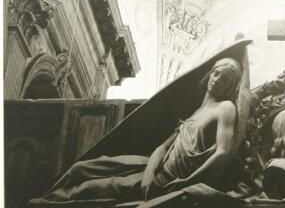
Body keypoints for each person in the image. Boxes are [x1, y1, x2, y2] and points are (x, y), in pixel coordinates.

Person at [33, 54, 247, 205]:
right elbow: (163, 148)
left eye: (225, 80)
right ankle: (42, 197)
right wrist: (149, 174)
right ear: (210, 73)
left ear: (230, 87)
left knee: (87, 189)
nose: (217, 80)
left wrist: (188, 182)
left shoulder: (225, 108)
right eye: (217, 73)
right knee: (81, 168)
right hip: (151, 168)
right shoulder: (196, 112)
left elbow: (223, 153)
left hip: (167, 181)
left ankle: (43, 204)